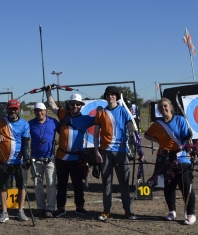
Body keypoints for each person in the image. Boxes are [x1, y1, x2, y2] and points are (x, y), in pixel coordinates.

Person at [144, 98, 197, 225]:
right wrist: (157, 141)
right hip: (163, 159)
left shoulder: (180, 120)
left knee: (185, 184)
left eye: (165, 106)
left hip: (181, 158)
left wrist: (192, 152)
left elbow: (187, 138)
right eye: (160, 107)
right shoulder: (157, 124)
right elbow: (146, 135)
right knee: (167, 185)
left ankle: (190, 213)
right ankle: (171, 211)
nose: (163, 109)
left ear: (171, 107)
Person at [46, 86, 94, 217]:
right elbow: (52, 105)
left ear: (81, 106)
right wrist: (48, 93)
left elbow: (102, 118)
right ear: (69, 104)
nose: (74, 106)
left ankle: (80, 207)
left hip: (76, 159)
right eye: (72, 104)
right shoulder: (63, 115)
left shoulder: (86, 119)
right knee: (61, 184)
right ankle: (61, 208)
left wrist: (104, 108)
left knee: (78, 184)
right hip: (61, 157)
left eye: (77, 104)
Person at [94, 86, 138, 221]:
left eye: (113, 95)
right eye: (108, 94)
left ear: (117, 97)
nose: (110, 97)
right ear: (105, 97)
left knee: (124, 183)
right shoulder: (101, 113)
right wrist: (96, 151)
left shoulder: (123, 110)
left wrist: (134, 137)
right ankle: (106, 210)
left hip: (121, 152)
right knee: (106, 182)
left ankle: (128, 211)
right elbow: (96, 134)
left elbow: (130, 127)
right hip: (105, 152)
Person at [0, 99, 31, 223]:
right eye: (11, 109)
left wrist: (26, 158)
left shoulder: (25, 124)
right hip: (4, 160)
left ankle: (20, 210)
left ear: (19, 109)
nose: (13, 111)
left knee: (22, 186)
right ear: (7, 109)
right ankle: (4, 212)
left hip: (19, 161)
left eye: (15, 109)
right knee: (3, 187)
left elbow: (26, 143)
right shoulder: (2, 122)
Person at [28, 102, 60, 218]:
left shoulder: (53, 122)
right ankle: (40, 207)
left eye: (41, 110)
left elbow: (65, 133)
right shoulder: (30, 124)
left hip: (50, 158)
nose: (39, 112)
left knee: (51, 184)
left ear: (45, 111)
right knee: (37, 184)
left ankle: (51, 208)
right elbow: (24, 138)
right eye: (36, 110)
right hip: (35, 159)